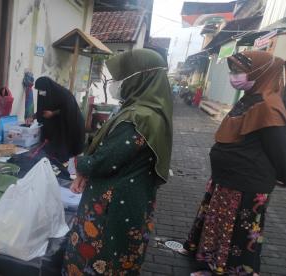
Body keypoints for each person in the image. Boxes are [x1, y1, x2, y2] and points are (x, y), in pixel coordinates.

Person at [62, 48, 173, 275]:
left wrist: (79, 164)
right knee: (121, 256)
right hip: (130, 199)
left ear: (140, 78)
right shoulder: (147, 110)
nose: (114, 83)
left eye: (120, 78)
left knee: (100, 258)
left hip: (113, 207)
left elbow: (104, 161)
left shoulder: (139, 117)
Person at [182, 51, 286, 276]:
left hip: (247, 184)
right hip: (229, 180)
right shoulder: (250, 98)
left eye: (239, 72)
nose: (234, 77)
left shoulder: (269, 105)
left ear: (260, 72)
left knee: (239, 233)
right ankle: (213, 266)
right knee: (222, 227)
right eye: (232, 72)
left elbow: (279, 150)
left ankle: (232, 271)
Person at [33, 76, 85, 163]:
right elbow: (42, 109)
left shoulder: (64, 94)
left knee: (66, 151)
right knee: (54, 150)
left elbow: (69, 109)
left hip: (70, 124)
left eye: (41, 89)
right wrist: (33, 116)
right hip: (59, 125)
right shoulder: (47, 93)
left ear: (47, 87)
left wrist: (52, 113)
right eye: (38, 90)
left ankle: (66, 168)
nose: (40, 92)